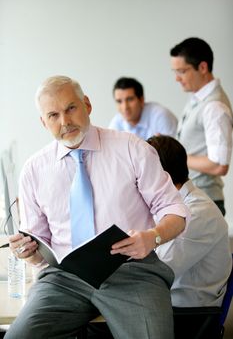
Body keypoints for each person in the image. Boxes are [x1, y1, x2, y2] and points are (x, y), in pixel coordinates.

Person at [6, 75, 187, 339]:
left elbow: (176, 211)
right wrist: (28, 253)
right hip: (64, 280)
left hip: (132, 270)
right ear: (43, 122)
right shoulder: (34, 170)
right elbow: (39, 246)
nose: (65, 121)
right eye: (53, 115)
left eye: (71, 108)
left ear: (87, 105)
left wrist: (152, 237)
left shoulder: (132, 149)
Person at [147, 135, 232, 339]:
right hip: (172, 304)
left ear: (162, 176)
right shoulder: (174, 205)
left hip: (187, 316)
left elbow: (158, 273)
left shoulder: (194, 214)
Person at [170, 37, 233, 216]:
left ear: (203, 67)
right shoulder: (198, 98)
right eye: (174, 71)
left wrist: (176, 158)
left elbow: (219, 165)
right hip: (194, 199)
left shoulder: (214, 106)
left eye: (181, 71)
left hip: (205, 201)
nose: (177, 78)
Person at [109, 77, 178, 139]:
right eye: (119, 101)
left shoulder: (161, 116)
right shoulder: (116, 122)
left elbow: (173, 152)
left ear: (141, 100)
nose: (125, 107)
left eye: (130, 99)